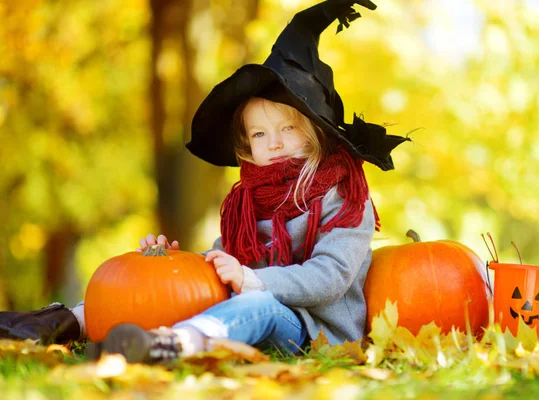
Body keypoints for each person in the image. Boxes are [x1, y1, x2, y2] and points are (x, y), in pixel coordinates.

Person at [0, 0, 411, 363]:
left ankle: (174, 344)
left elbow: (330, 276)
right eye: (260, 134)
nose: (275, 143)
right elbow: (220, 270)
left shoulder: (346, 198)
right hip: (251, 306)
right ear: (247, 145)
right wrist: (174, 267)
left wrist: (252, 279)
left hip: (314, 332)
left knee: (259, 305)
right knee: (159, 287)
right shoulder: (249, 202)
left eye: (288, 128)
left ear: (317, 132)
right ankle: (60, 324)